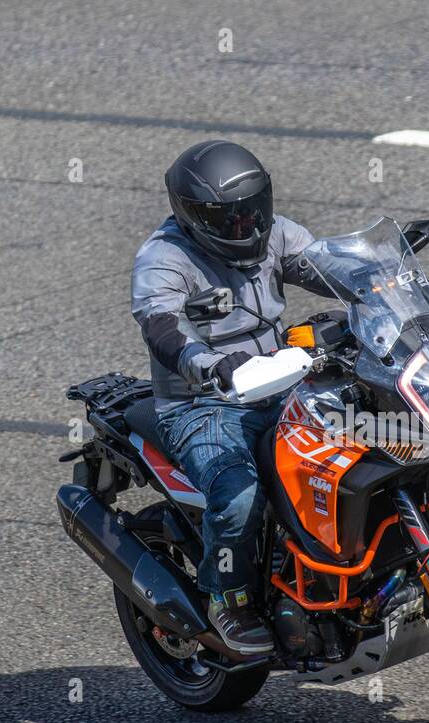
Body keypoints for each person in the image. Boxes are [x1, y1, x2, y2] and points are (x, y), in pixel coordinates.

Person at [131, 140, 321, 655]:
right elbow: (162, 327)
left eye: (253, 209)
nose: (246, 225)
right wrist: (211, 364)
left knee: (371, 443)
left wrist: (394, 285)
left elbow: (328, 267)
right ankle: (227, 598)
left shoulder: (276, 232)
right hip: (202, 403)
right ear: (192, 215)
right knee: (239, 496)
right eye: (229, 217)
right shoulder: (164, 259)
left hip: (281, 382)